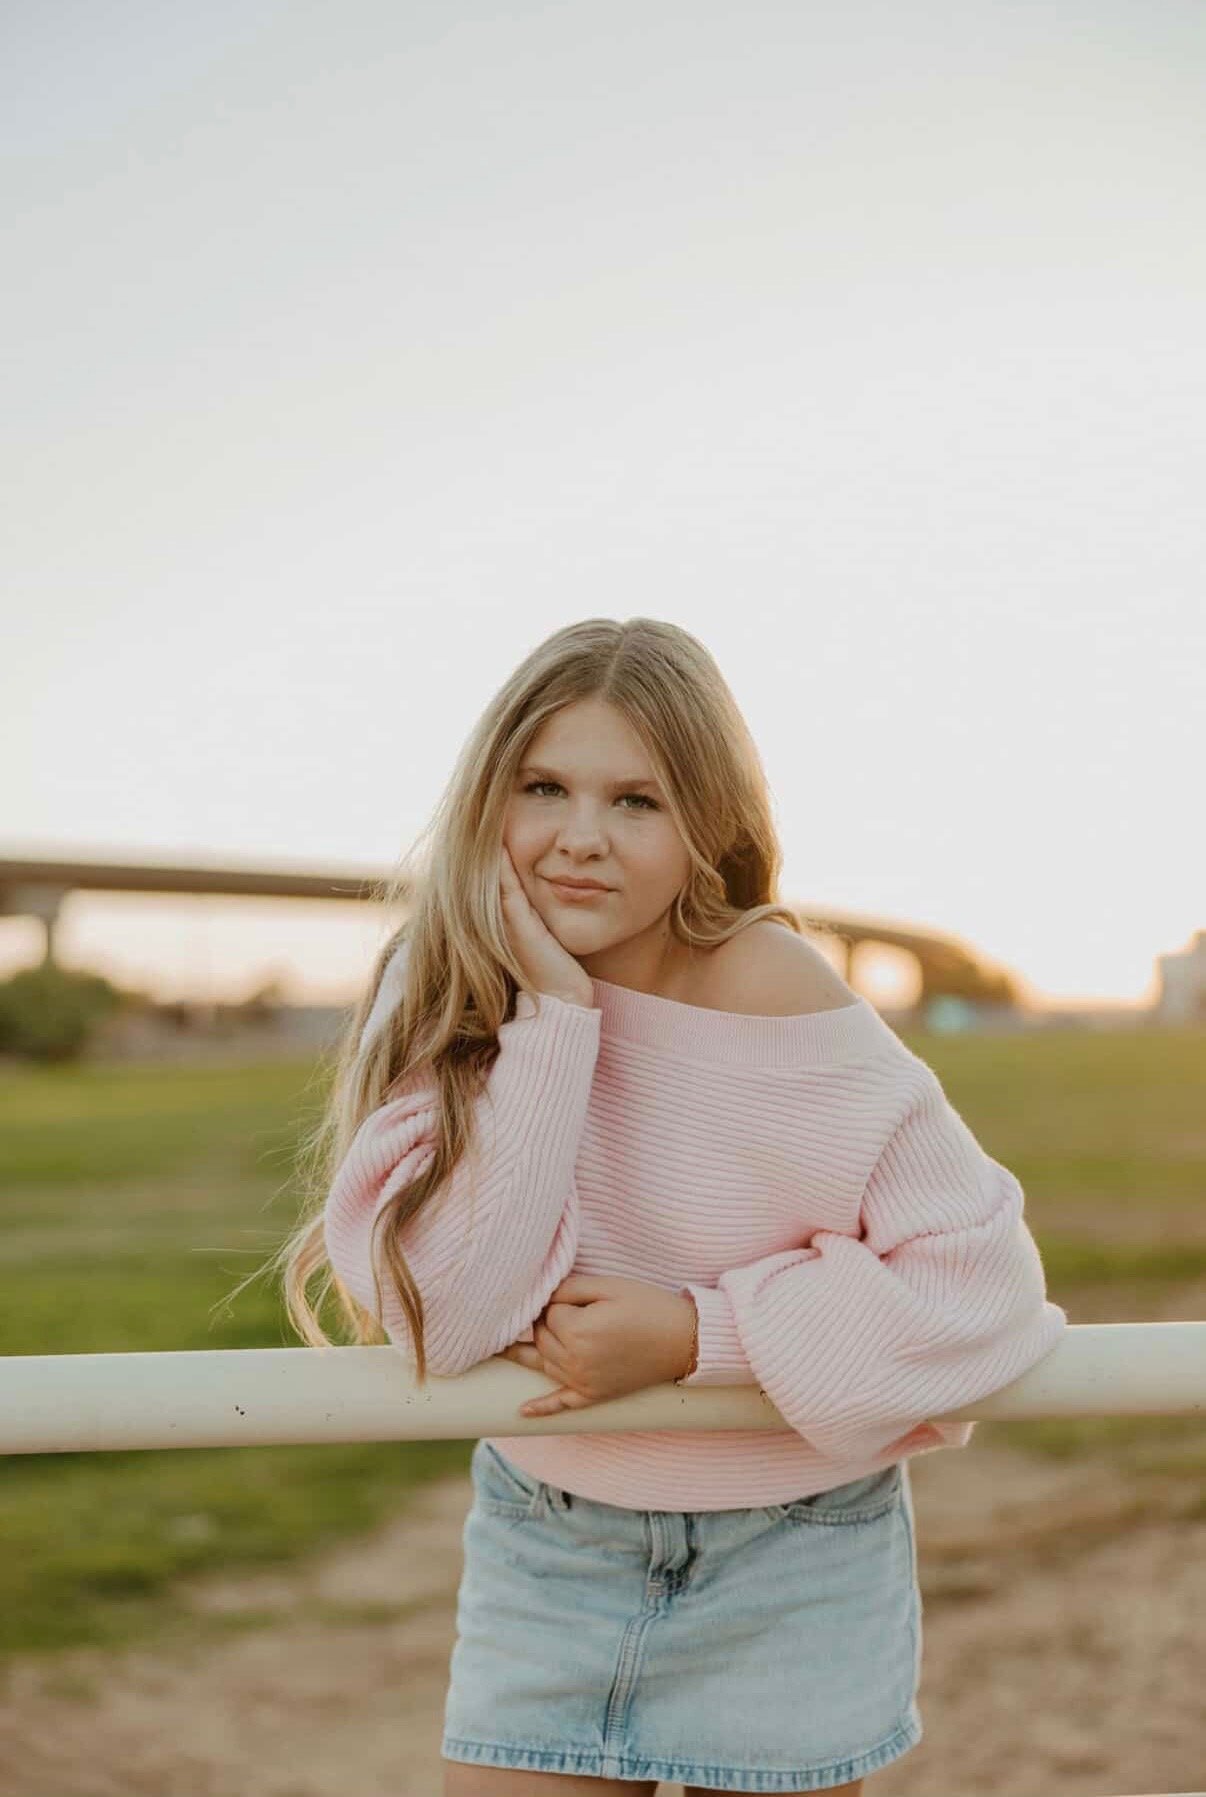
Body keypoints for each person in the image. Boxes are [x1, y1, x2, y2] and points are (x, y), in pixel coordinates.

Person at [275, 617, 1068, 1796]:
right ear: (488, 798)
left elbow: (985, 1291)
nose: (581, 841)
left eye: (637, 802)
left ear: (708, 826)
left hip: (797, 1550)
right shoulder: (442, 980)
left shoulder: (775, 990)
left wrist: (703, 1337)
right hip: (551, 1537)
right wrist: (549, 1024)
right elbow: (446, 1316)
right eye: (544, 787)